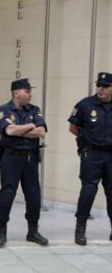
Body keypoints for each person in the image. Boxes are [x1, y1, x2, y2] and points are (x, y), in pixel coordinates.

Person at [0, 78, 48, 248]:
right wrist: (29, 126)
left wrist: (20, 130)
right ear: (16, 93)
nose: (30, 94)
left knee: (34, 195)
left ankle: (33, 231)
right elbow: (8, 130)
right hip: (11, 157)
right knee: (7, 194)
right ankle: (1, 231)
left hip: (30, 158)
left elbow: (41, 131)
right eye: (27, 91)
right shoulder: (3, 110)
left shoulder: (35, 110)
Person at [68, 72, 112, 245]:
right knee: (88, 190)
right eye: (98, 85)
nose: (100, 89)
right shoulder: (85, 105)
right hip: (92, 154)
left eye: (105, 86)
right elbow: (73, 127)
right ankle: (80, 229)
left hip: (111, 156)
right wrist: (87, 141)